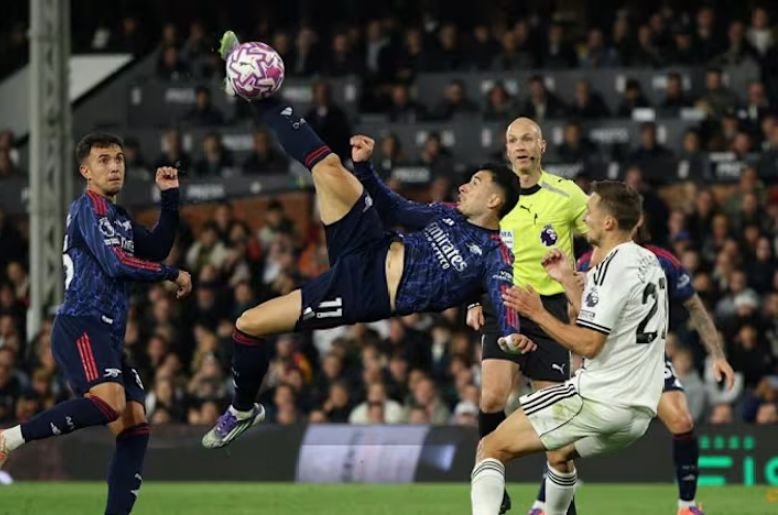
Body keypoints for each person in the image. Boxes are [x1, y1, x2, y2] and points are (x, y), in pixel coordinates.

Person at [201, 32, 531, 449]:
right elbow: (393, 210)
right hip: (371, 243)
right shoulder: (447, 214)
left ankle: (243, 408)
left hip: (364, 290)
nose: (464, 187)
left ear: (496, 199)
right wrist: (367, 169)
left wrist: (510, 334)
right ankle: (256, 93)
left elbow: (503, 294)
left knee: (248, 325)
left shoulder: (495, 252)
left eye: (475, 183)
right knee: (330, 167)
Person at [0, 133, 192, 514]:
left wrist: (169, 198)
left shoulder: (117, 218)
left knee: (134, 425)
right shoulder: (88, 209)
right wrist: (170, 274)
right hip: (81, 323)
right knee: (109, 403)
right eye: (104, 160)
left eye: (119, 158)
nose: (115, 165)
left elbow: (154, 248)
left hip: (106, 333)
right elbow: (117, 264)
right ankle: (9, 438)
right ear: (85, 171)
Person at [471, 181, 668, 515]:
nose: (585, 218)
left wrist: (536, 312)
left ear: (608, 222)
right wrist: (566, 281)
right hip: (639, 411)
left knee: (490, 448)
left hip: (601, 398)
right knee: (559, 455)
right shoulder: (648, 263)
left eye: (590, 212)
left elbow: (589, 344)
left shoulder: (612, 267)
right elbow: (601, 321)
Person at [466, 117, 588, 515]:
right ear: (506, 149)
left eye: (527, 139)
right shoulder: (494, 196)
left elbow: (602, 235)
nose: (520, 146)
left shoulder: (566, 194)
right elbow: (474, 249)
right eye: (513, 140)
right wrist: (472, 300)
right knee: (492, 395)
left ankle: (564, 508)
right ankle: (489, 476)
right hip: (503, 302)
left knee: (556, 427)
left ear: (542, 146)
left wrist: (582, 277)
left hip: (550, 310)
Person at [576, 226, 735, 515]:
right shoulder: (588, 263)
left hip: (648, 359)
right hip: (603, 362)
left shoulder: (662, 261)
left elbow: (695, 308)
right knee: (566, 437)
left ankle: (686, 506)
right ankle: (545, 503)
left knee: (683, 421)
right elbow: (571, 312)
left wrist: (718, 355)